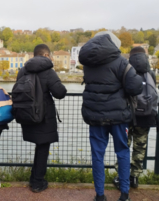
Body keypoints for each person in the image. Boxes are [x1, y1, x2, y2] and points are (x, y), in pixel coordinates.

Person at [79, 31, 143, 201]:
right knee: (122, 152)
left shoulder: (88, 64)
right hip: (119, 118)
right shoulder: (121, 62)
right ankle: (124, 194)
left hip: (95, 116)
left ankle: (100, 195)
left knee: (97, 155)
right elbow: (136, 87)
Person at [16, 44, 67, 193]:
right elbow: (60, 93)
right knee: (43, 147)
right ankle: (38, 182)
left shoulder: (22, 71)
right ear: (46, 56)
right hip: (44, 117)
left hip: (27, 114)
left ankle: (34, 178)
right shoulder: (48, 71)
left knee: (40, 146)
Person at [113, 47, 157, 189]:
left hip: (128, 115)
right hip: (146, 116)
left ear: (130, 56)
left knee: (124, 146)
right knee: (140, 147)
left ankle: (121, 177)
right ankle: (135, 177)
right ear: (145, 56)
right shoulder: (150, 73)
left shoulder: (126, 70)